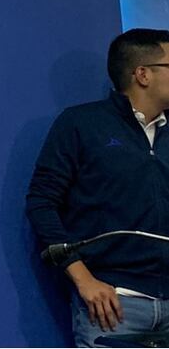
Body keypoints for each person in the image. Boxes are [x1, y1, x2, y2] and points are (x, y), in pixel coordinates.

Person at [27, 28, 169, 347]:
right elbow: (41, 203)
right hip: (114, 309)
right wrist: (83, 279)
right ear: (142, 74)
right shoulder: (81, 124)